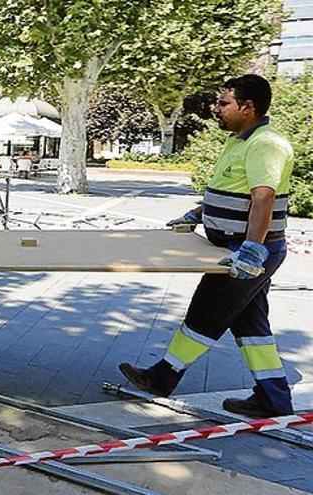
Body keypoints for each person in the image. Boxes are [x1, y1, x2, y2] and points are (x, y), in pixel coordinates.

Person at [119, 74, 295, 417]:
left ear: (248, 107)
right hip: (236, 249)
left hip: (244, 254)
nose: (217, 109)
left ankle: (162, 377)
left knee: (206, 313)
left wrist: (251, 250)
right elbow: (232, 191)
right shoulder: (239, 141)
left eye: (224, 103)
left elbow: (263, 198)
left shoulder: (266, 144)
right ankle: (274, 397)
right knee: (251, 325)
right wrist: (197, 213)